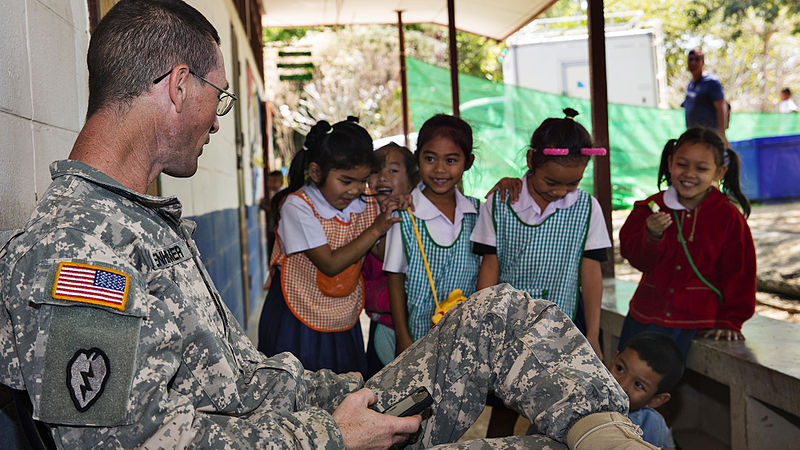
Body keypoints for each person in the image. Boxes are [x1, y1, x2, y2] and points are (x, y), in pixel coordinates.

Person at [0, 1, 659, 448]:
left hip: (303, 417)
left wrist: (343, 392)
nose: (218, 116)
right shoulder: (84, 248)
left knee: (500, 313)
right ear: (178, 85)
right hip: (311, 440)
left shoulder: (137, 222)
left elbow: (239, 385)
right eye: (216, 94)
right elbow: (119, 444)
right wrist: (333, 435)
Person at [472, 108, 611, 437]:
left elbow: (590, 273)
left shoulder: (587, 208)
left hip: (562, 331)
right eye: (551, 181)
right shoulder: (500, 203)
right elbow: (489, 266)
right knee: (504, 408)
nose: (561, 191)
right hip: (508, 329)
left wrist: (592, 333)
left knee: (557, 408)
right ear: (531, 160)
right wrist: (481, 322)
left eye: (573, 183)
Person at [257, 118, 402, 375]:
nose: (355, 190)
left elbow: (379, 252)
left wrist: (391, 209)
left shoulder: (364, 203)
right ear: (315, 172)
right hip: (295, 322)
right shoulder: (298, 205)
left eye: (363, 180)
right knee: (296, 393)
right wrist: (378, 228)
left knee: (343, 393)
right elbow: (330, 264)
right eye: (346, 181)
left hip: (342, 320)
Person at [618, 127, 756, 356]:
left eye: (701, 168)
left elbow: (740, 272)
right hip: (646, 315)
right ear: (670, 163)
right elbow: (636, 257)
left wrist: (729, 320)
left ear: (719, 172)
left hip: (699, 322)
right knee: (623, 379)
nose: (690, 174)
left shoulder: (729, 217)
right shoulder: (649, 209)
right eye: (682, 164)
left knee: (659, 387)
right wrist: (651, 235)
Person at [383, 114, 481, 356]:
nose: (439, 169)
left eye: (451, 160)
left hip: (466, 342)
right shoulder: (405, 214)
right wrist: (403, 337)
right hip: (417, 340)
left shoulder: (479, 212)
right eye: (430, 158)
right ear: (418, 158)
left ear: (468, 162)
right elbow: (394, 280)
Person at [363, 143, 417, 378]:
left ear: (412, 181)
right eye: (375, 171)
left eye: (393, 171)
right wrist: (383, 219)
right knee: (384, 388)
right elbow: (384, 254)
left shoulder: (416, 210)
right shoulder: (365, 212)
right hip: (384, 323)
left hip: (421, 318)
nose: (383, 177)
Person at [608, 332, 684, 449]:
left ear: (657, 400)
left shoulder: (653, 424)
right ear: (614, 359)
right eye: (620, 369)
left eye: (638, 385)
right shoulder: (583, 399)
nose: (621, 386)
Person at [682, 49, 729, 147]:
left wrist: (722, 134)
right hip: (694, 137)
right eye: (690, 60)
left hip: (709, 137)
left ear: (703, 62)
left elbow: (721, 107)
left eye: (697, 60)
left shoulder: (711, 83)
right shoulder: (691, 84)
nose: (693, 63)